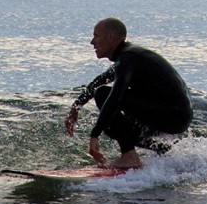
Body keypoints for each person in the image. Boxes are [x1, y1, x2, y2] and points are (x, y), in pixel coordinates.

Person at [64, 18, 193, 174]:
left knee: (103, 95)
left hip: (172, 113)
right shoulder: (128, 56)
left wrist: (94, 134)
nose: (92, 42)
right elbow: (100, 80)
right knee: (114, 126)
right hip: (177, 115)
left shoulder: (127, 58)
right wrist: (76, 106)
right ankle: (164, 150)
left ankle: (129, 157)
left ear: (111, 37)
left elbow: (115, 95)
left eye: (96, 36)